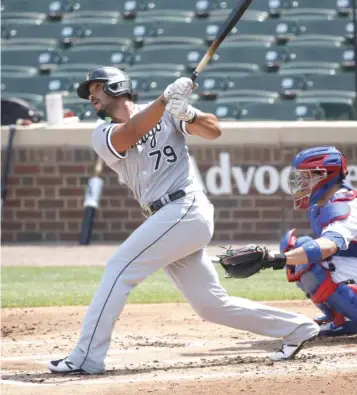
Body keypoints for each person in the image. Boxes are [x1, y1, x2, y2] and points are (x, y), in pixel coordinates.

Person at [48, 67, 319, 375]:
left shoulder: (168, 112)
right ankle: (298, 327)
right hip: (166, 218)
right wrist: (165, 100)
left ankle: (87, 357)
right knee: (210, 305)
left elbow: (214, 130)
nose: (91, 96)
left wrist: (187, 113)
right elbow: (132, 131)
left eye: (96, 87)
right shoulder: (103, 134)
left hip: (185, 208)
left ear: (117, 86)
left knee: (119, 268)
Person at [279, 146, 357, 336]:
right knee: (298, 249)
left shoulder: (343, 205)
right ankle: (341, 315)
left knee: (306, 255)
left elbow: (328, 247)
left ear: (326, 175)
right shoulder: (322, 204)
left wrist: (276, 258)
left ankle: (349, 317)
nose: (301, 183)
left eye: (307, 177)